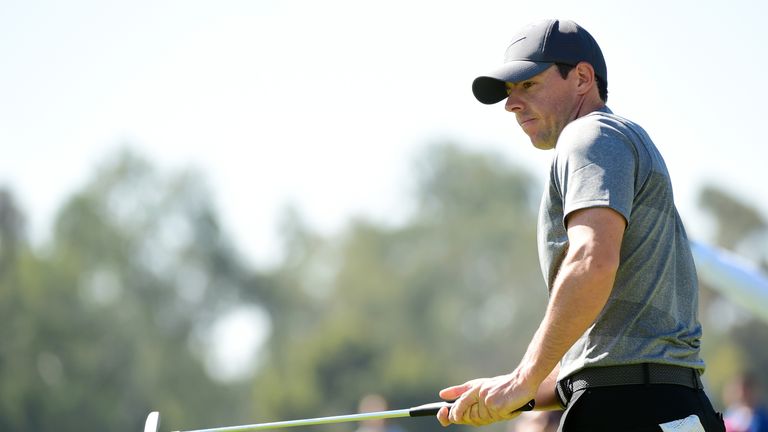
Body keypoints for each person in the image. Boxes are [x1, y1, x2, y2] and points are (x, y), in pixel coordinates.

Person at [434, 19, 725, 431]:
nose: (511, 104)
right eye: (509, 92)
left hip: (628, 411)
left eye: (528, 85)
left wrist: (524, 378)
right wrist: (522, 389)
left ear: (583, 78)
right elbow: (622, 353)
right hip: (674, 408)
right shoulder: (621, 140)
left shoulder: (590, 134)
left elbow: (591, 261)